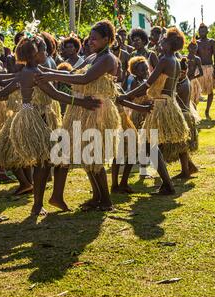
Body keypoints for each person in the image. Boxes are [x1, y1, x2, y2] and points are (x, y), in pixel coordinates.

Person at [0, 33, 102, 214]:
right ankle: (38, 205)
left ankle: (44, 202)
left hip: (31, 115)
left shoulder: (27, 71)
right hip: (37, 118)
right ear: (34, 53)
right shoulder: (34, 73)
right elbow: (56, 95)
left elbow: (6, 90)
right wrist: (82, 102)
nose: (47, 51)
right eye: (44, 49)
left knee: (45, 161)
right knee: (45, 162)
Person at [37, 20, 150, 209]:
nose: (90, 41)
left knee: (93, 154)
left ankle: (105, 200)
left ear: (107, 39)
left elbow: (84, 78)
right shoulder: (92, 57)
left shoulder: (108, 59)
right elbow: (73, 73)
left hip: (96, 110)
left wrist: (51, 76)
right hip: (83, 109)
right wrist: (41, 70)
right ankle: (97, 196)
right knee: (84, 154)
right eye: (90, 38)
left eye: (95, 38)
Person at [119, 26, 191, 195]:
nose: (160, 42)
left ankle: (168, 185)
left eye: (163, 40)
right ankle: (166, 183)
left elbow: (147, 84)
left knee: (148, 144)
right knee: (150, 145)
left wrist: (125, 96)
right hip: (167, 103)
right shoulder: (173, 60)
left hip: (160, 105)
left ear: (169, 44)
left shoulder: (166, 60)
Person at [174, 58, 199, 179]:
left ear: (185, 72)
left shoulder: (183, 85)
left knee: (182, 145)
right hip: (182, 115)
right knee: (181, 145)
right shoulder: (181, 81)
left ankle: (186, 171)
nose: (178, 74)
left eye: (181, 72)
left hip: (183, 116)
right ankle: (189, 167)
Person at [196, 23, 215, 118]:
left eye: (203, 31)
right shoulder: (196, 43)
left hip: (210, 68)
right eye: (200, 31)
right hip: (200, 69)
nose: (201, 32)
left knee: (210, 91)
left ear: (207, 32)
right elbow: (194, 57)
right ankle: (195, 110)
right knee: (196, 91)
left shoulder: (212, 42)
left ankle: (207, 110)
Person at [187, 40, 203, 106]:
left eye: (195, 48)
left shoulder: (197, 59)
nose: (194, 49)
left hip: (193, 81)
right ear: (188, 48)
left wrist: (194, 77)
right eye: (192, 47)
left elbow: (201, 73)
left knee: (193, 101)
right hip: (185, 81)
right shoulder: (184, 58)